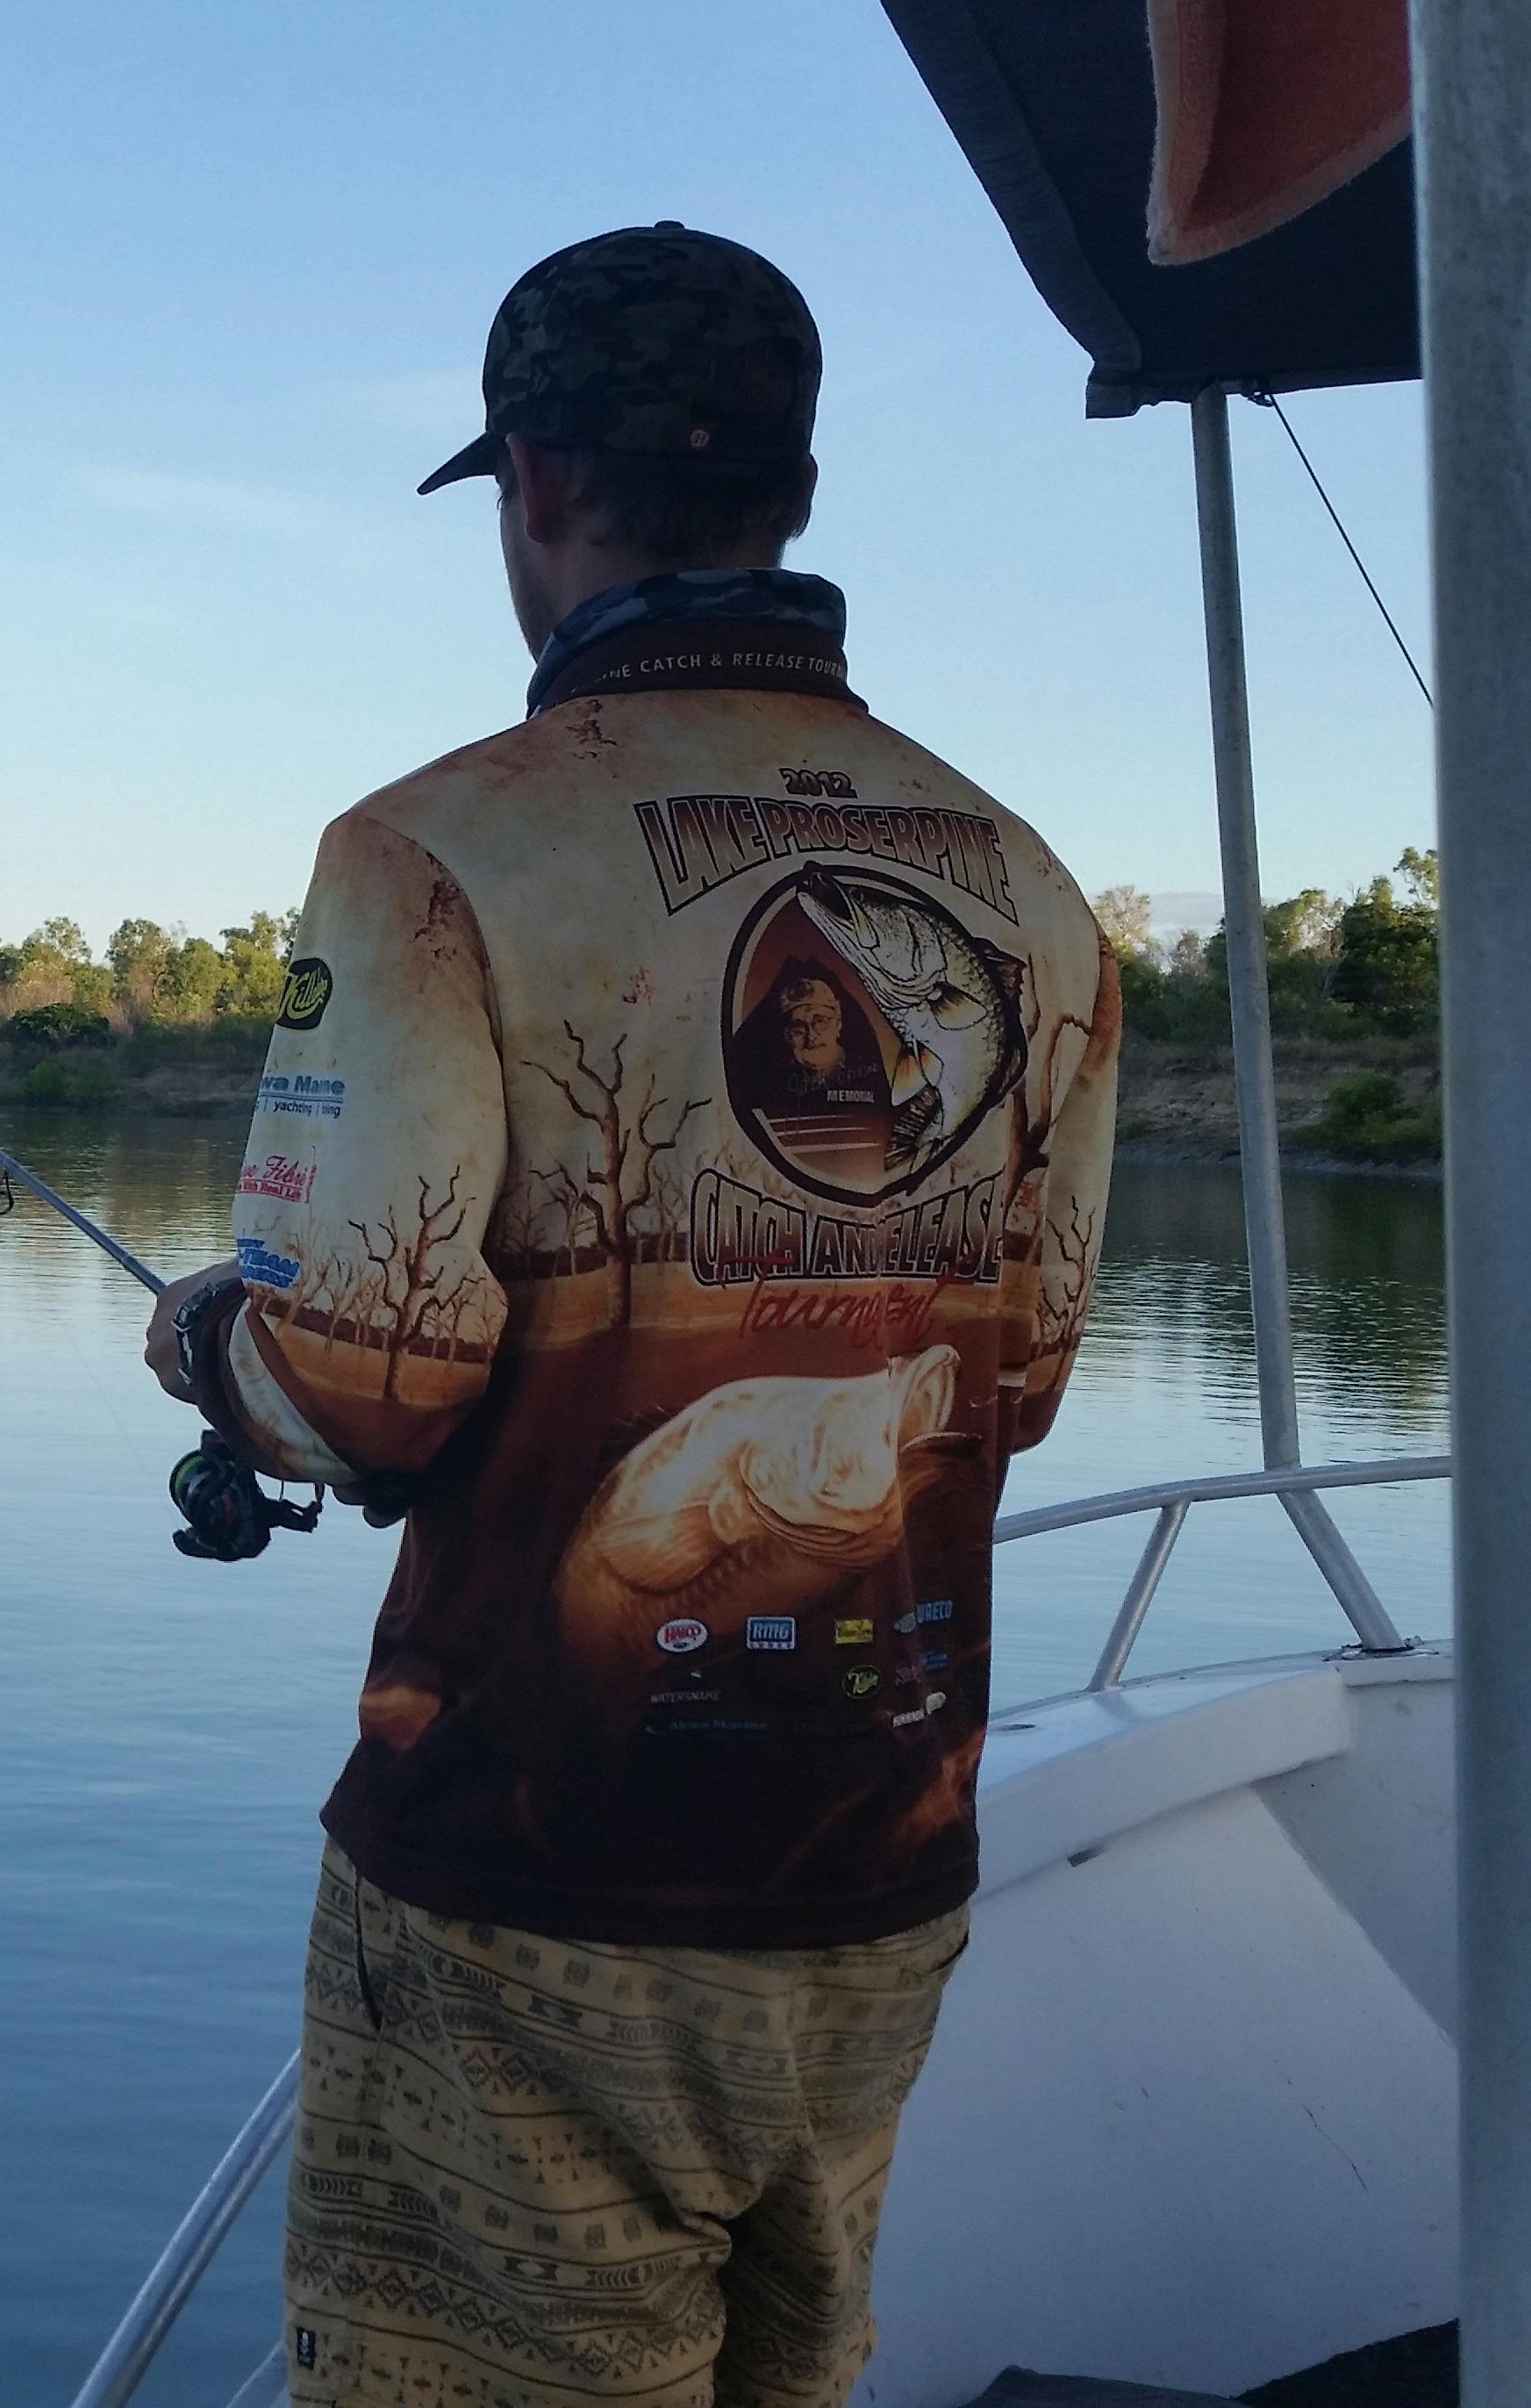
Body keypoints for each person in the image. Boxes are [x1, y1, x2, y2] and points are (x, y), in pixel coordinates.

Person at [143, 225, 1120, 2408]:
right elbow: (1019, 1385)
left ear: (536, 485)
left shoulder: (431, 852)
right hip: (877, 1879)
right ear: (783, 492)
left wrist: (207, 1342)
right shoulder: (1024, 877)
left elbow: (360, 1392)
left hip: (531, 1877)